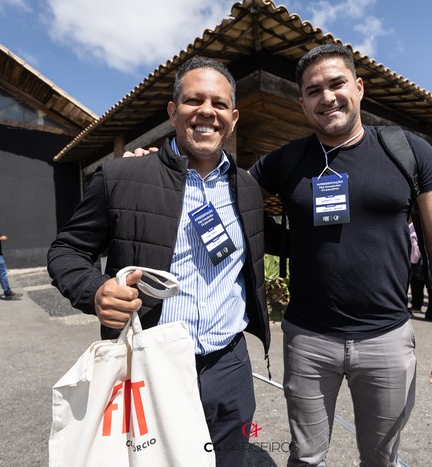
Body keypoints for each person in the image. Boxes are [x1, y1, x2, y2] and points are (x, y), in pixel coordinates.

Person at [248, 44, 432, 467]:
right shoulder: (287, 160)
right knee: (306, 458)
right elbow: (227, 195)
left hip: (387, 340)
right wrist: (157, 165)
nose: (327, 97)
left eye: (337, 84)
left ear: (359, 87)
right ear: (302, 102)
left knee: (381, 460)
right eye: (313, 91)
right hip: (308, 340)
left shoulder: (407, 151)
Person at [47, 57, 270, 467]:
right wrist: (94, 290)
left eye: (219, 104)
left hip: (230, 366)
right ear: (173, 110)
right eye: (194, 100)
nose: (207, 112)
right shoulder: (121, 177)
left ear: (233, 117)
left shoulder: (248, 188)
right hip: (149, 365)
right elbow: (66, 250)